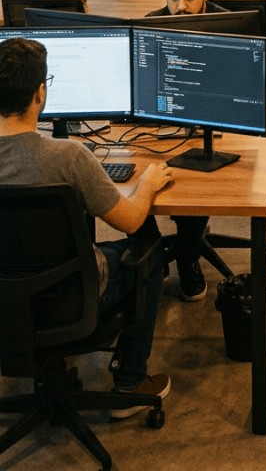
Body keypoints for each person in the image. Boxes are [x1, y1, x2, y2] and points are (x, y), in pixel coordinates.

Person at [0, 37, 173, 416]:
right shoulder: (68, 157)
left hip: (4, 304)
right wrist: (145, 185)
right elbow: (129, 219)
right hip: (69, 299)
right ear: (40, 93)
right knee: (151, 248)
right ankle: (130, 383)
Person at [145, 0, 228, 301]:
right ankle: (150, 257)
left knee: (199, 176)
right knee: (131, 179)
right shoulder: (148, 25)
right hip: (159, 127)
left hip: (218, 126)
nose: (180, 6)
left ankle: (188, 258)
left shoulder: (228, 25)